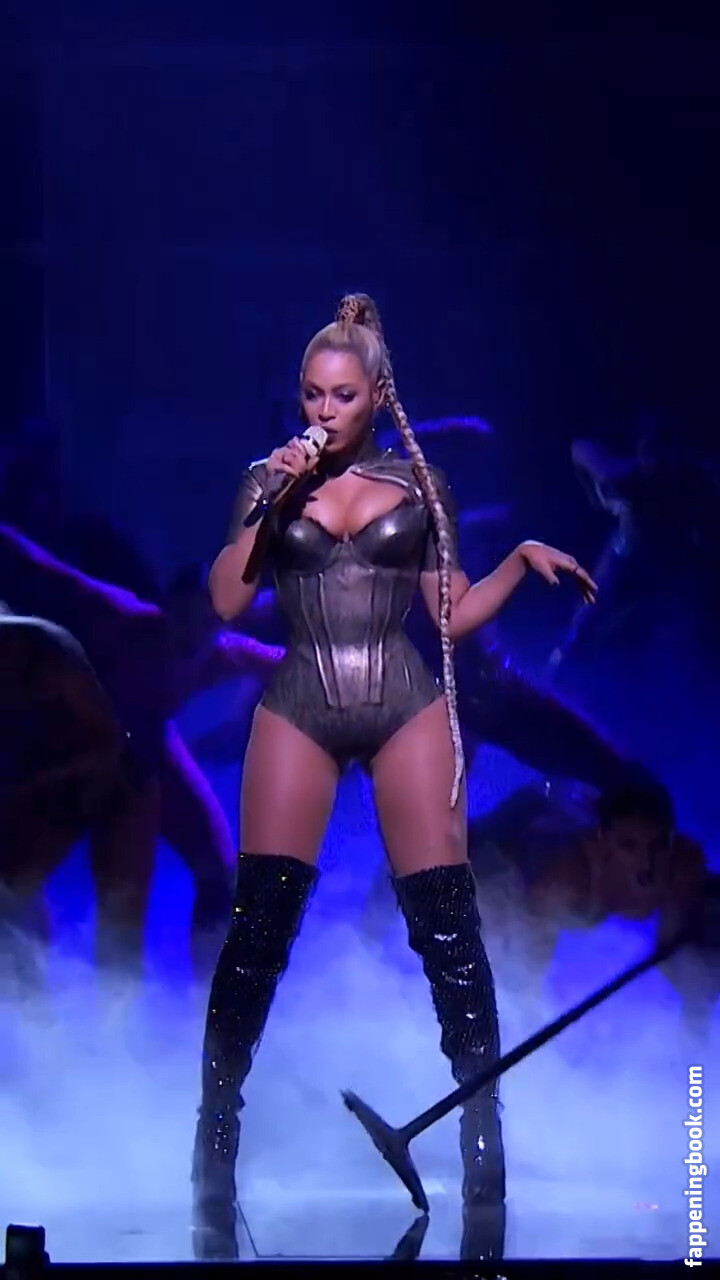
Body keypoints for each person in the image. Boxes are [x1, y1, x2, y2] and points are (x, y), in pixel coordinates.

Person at [191, 292, 597, 1260]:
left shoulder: (418, 482)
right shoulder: (266, 478)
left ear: (377, 394)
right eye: (311, 394)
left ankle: (482, 1133)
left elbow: (449, 613)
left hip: (404, 700)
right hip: (301, 701)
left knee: (448, 924)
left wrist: (518, 562)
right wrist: (274, 497)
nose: (323, 411)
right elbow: (227, 602)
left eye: (342, 395)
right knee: (259, 924)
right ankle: (215, 1131)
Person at [521, 772, 719, 1038]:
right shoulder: (569, 876)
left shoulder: (682, 865)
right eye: (629, 846)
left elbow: (675, 954)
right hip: (523, 845)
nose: (646, 862)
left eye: (658, 845)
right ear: (604, 839)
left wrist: (695, 1019)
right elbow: (524, 965)